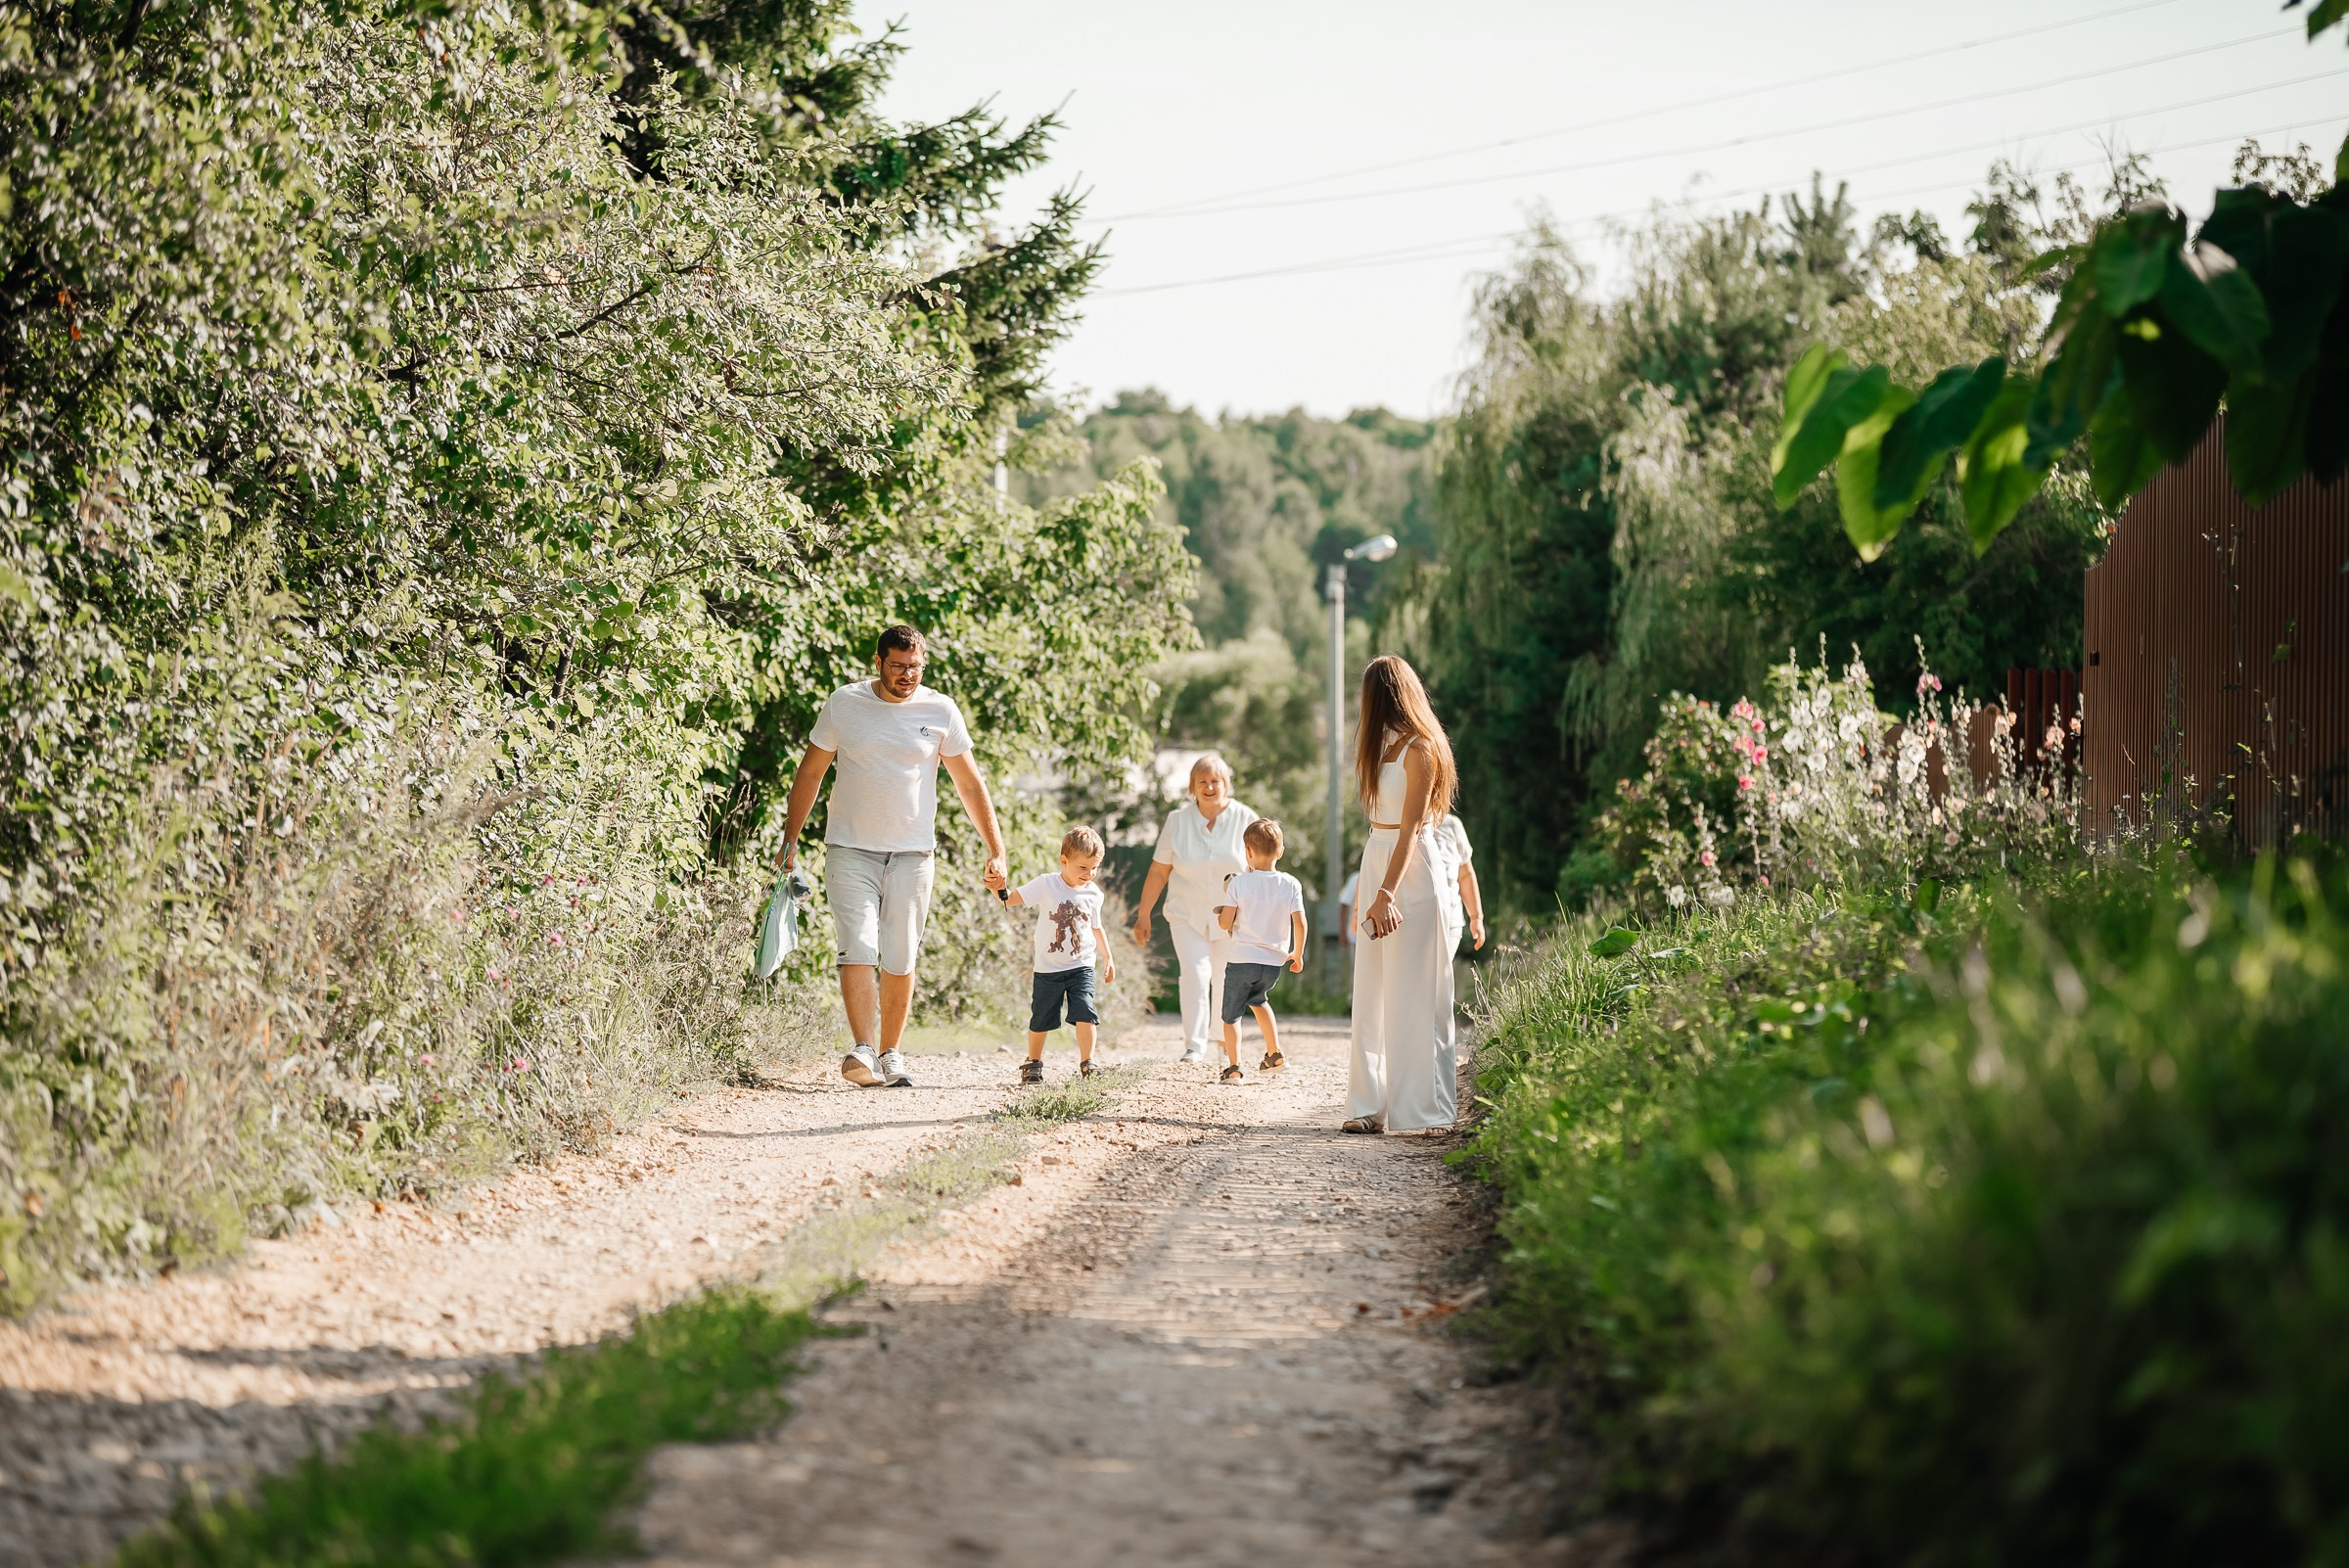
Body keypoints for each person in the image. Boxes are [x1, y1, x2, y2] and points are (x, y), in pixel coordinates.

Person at [777, 624, 1006, 1089]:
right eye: (898, 666)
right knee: (857, 943)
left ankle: (891, 1052)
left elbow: (969, 783)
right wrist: (790, 840)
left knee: (900, 954)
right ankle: (863, 1049)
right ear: (877, 662)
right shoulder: (845, 704)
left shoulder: (940, 710)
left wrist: (996, 848)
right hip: (850, 849)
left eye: (916, 667)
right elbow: (812, 772)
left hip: (913, 854)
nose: (908, 675)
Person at [1344, 654, 1459, 1135]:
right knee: (1371, 991)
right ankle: (1369, 1106)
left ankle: (1429, 1110)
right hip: (1378, 857)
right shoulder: (1383, 747)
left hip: (1409, 872)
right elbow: (1384, 826)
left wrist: (1387, 892)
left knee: (1417, 991)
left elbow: (1412, 826)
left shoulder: (1422, 749)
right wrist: (1373, 884)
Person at [1128, 755, 1259, 1064]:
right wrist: (1144, 913)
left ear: (1226, 783)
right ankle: (1194, 1045)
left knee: (1225, 978)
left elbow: (1261, 868)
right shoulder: (1178, 821)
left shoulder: (1246, 818)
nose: (1210, 787)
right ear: (1193, 787)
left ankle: (1222, 1038)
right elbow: (1159, 871)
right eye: (1203, 781)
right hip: (1186, 915)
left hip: (1233, 918)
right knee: (1195, 975)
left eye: (1216, 781)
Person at [999, 826, 1117, 1084]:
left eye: (1094, 868)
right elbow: (1010, 900)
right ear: (1064, 861)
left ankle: (1088, 1062)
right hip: (1048, 967)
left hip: (1081, 965)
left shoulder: (1094, 894)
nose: (1089, 874)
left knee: (1086, 1009)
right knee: (1041, 1016)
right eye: (1083, 867)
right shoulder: (1046, 884)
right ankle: (1033, 1062)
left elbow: (1097, 927)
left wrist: (1108, 958)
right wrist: (999, 888)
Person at [1212, 818, 1307, 1083]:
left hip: (1242, 960)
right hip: (1273, 963)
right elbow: (1300, 921)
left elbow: (1225, 923)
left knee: (1231, 1016)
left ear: (1248, 852)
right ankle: (1274, 1054)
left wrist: (1222, 914)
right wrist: (1297, 953)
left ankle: (1234, 1067)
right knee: (1259, 1000)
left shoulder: (1238, 884)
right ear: (1281, 852)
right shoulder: (1291, 884)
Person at [1433, 813, 1488, 954]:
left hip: (1450, 920)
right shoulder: (1399, 821)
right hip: (1413, 917)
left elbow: (1466, 875)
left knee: (1440, 973)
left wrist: (1476, 917)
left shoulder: (1451, 824)